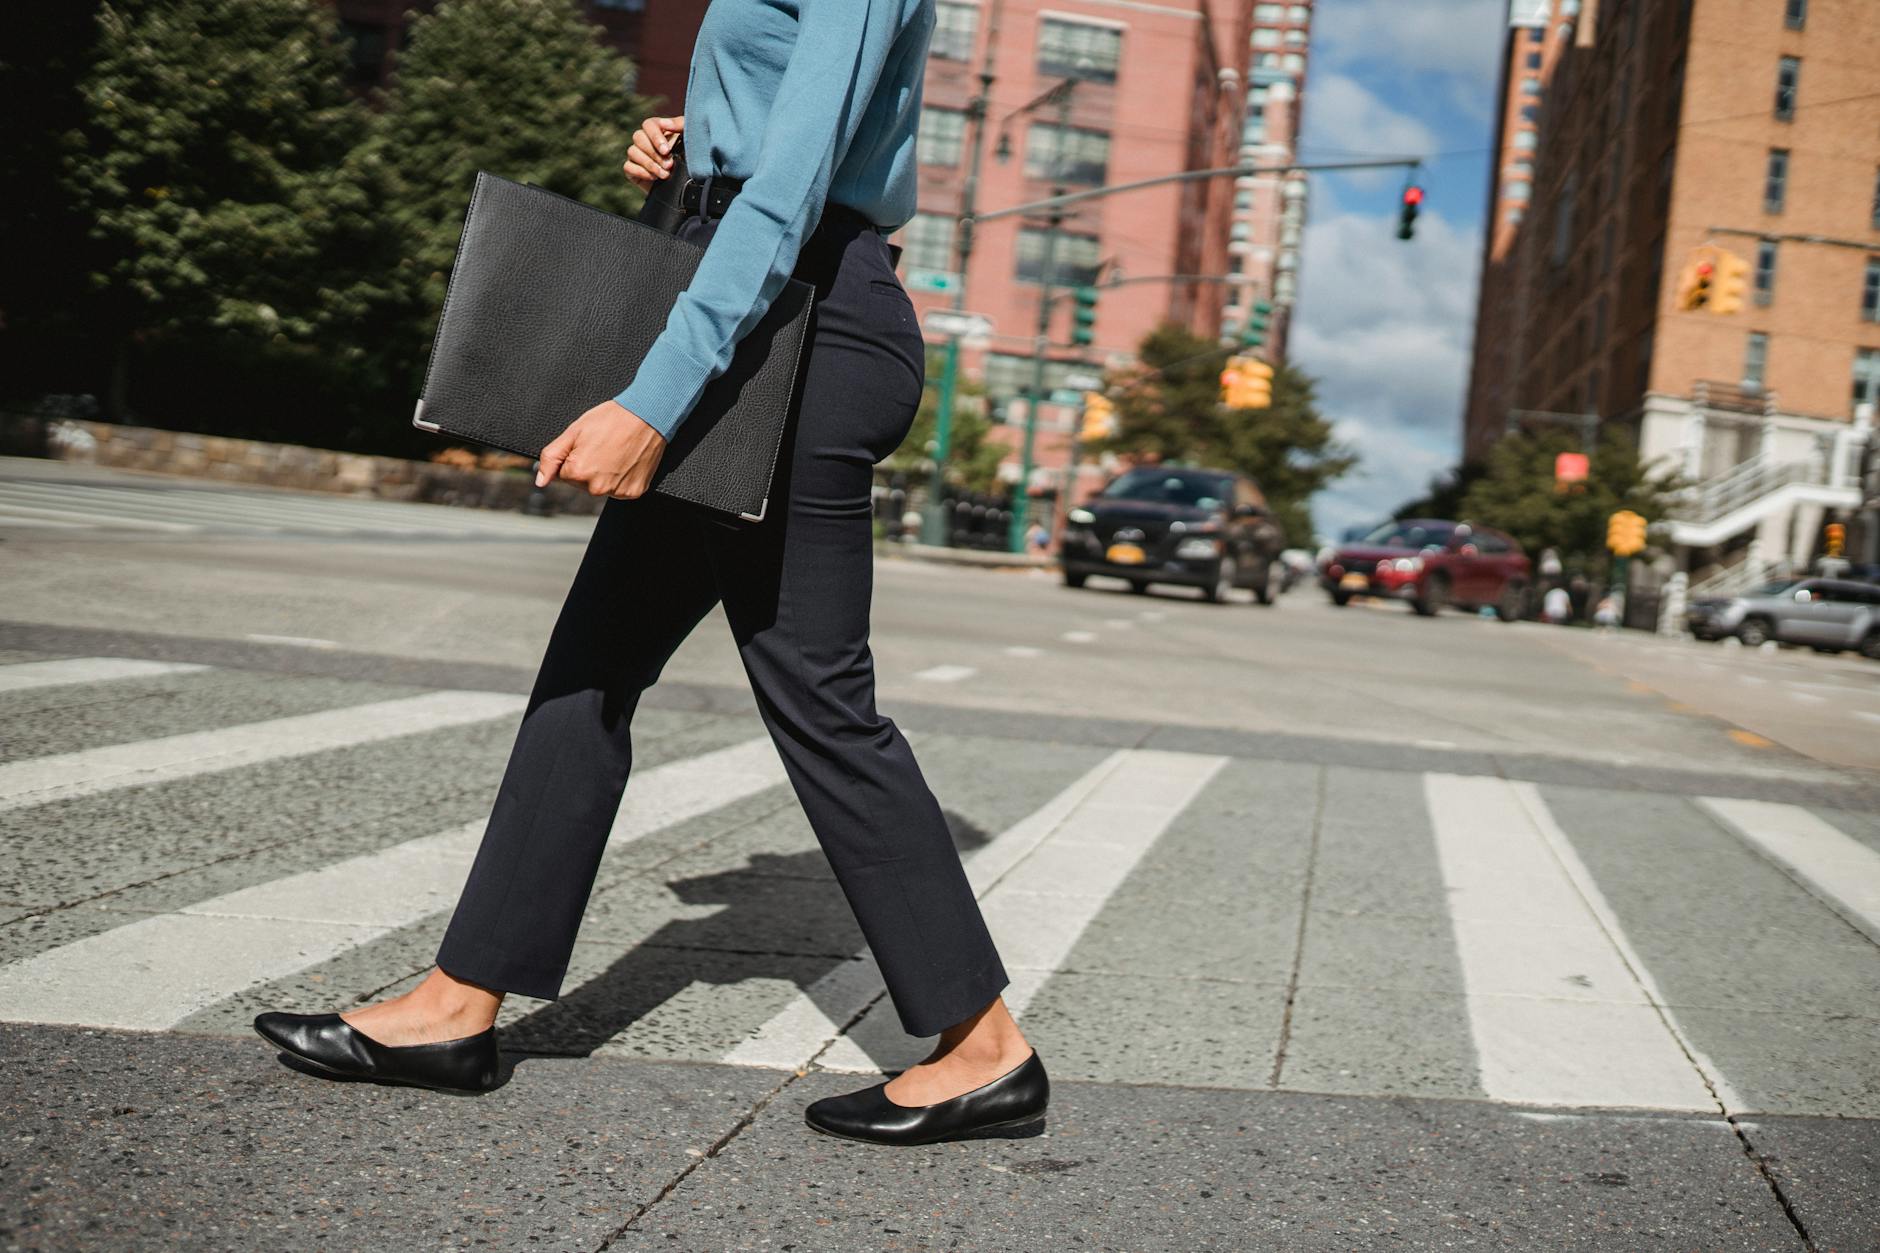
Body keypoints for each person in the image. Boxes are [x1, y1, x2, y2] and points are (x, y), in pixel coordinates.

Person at [254, 0, 1047, 1147]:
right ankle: (454, 1004)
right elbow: (779, 147)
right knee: (593, 667)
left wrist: (651, 400)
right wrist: (695, 142)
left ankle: (983, 1049)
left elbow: (795, 190)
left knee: (818, 698)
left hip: (796, 333)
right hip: (755, 306)